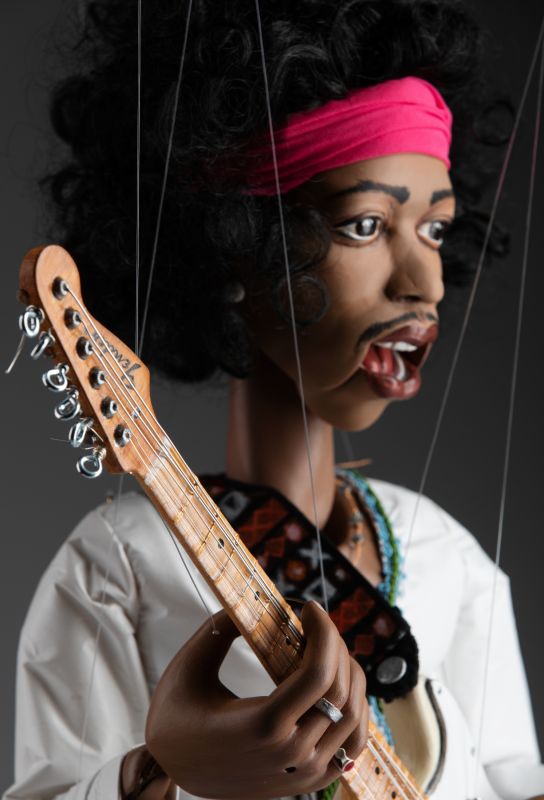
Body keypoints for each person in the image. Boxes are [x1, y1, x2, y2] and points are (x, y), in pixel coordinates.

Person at [3, 1, 543, 799]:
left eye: (434, 230)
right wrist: (163, 778)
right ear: (232, 251)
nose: (423, 283)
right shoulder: (116, 569)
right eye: (365, 225)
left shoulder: (449, 559)